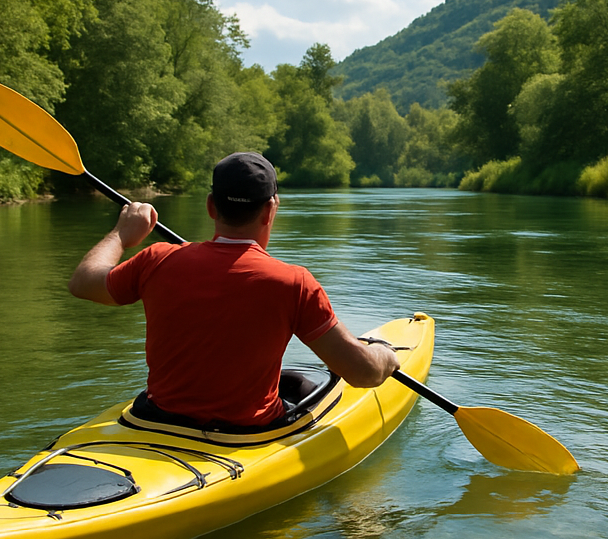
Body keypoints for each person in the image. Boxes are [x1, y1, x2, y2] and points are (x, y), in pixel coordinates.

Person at [68, 151, 400, 428]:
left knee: (292, 381)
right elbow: (363, 373)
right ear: (270, 210)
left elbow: (83, 282)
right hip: (246, 432)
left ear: (211, 206)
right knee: (306, 388)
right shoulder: (293, 282)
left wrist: (122, 234)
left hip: (155, 419)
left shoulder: (156, 259)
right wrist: (386, 356)